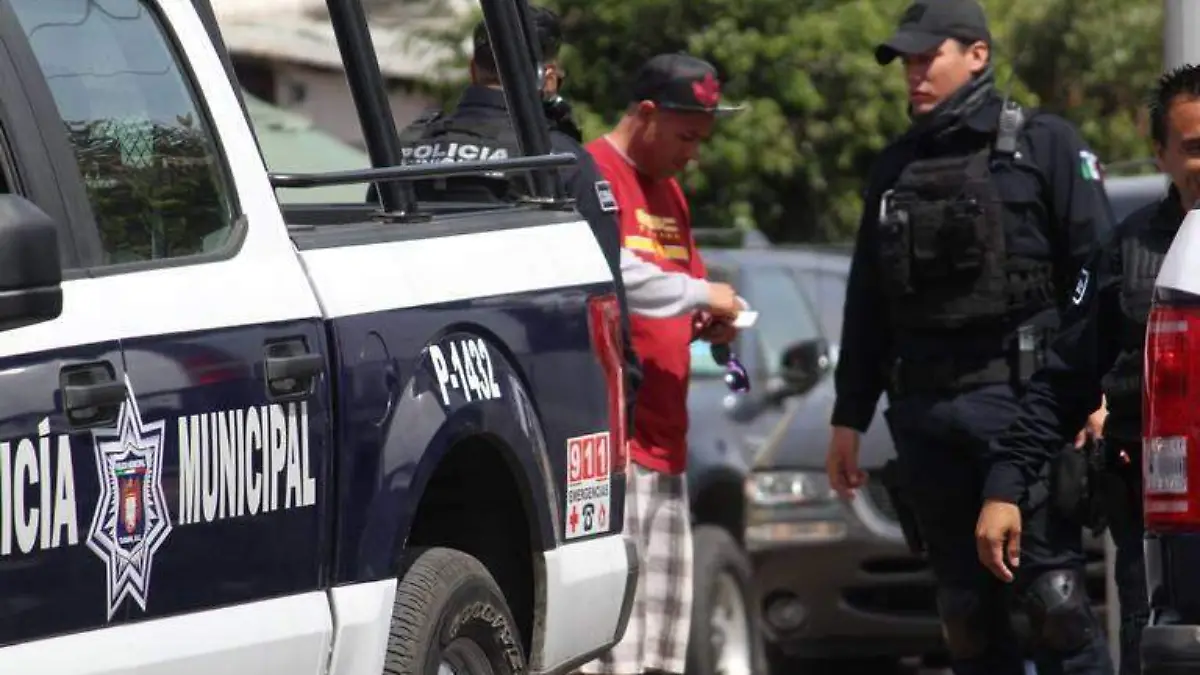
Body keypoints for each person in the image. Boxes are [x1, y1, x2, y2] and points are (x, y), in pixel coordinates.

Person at [823, 1, 1118, 673]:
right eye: (907, 62)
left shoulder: (1044, 144)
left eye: (929, 57)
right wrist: (848, 415)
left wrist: (1094, 391)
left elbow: (1097, 276)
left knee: (1054, 602)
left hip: (1026, 406)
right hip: (927, 416)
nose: (914, 73)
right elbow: (868, 300)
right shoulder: (894, 167)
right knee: (965, 617)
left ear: (977, 55)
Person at [380, 6, 743, 439]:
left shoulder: (410, 150)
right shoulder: (559, 161)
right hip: (529, 399)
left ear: (472, 68)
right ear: (548, 77)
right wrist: (623, 392)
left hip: (414, 387)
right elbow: (606, 298)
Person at [976, 63, 1200, 674]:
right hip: (1165, 538)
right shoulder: (1125, 253)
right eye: (1195, 148)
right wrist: (1006, 487)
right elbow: (1064, 379)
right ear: (1160, 153)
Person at [577, 53, 743, 675]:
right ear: (646, 114)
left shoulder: (671, 193)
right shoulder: (592, 174)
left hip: (668, 448)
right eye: (686, 136)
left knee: (659, 655)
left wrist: (712, 317)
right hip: (618, 448)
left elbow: (685, 284)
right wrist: (701, 294)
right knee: (610, 651)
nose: (693, 153)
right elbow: (616, 275)